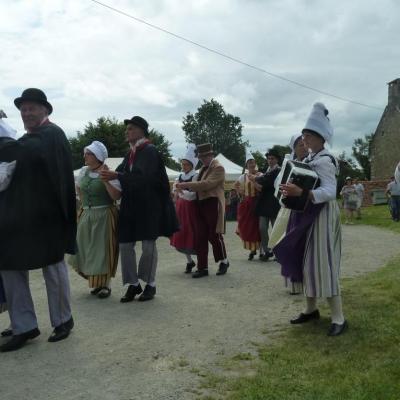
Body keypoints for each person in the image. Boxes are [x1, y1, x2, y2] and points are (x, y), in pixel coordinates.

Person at [0, 88, 77, 352]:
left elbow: (25, 151)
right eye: (23, 109)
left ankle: (63, 320)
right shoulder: (28, 138)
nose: (26, 113)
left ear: (45, 110)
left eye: (31, 108)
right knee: (9, 265)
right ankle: (24, 325)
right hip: (24, 220)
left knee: (53, 269)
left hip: (49, 218)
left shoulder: (51, 134)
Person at [274, 102, 347, 337]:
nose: (303, 140)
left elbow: (330, 192)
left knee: (322, 264)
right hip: (305, 216)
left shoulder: (325, 160)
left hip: (322, 217)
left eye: (307, 136)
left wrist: (302, 193)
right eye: (303, 136)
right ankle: (310, 309)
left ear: (319, 137)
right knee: (305, 262)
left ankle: (339, 317)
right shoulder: (309, 159)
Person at [100, 116, 179, 302]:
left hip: (149, 206)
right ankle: (133, 284)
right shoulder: (130, 154)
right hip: (130, 205)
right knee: (125, 244)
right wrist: (103, 173)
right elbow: (120, 175)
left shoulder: (149, 151)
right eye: (127, 129)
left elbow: (142, 177)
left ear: (142, 131)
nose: (127, 132)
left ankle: (150, 284)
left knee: (148, 246)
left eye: (131, 129)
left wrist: (116, 174)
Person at [68, 141, 121, 298]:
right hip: (87, 215)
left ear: (97, 156)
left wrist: (105, 182)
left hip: (104, 214)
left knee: (102, 250)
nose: (85, 156)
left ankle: (105, 285)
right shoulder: (83, 171)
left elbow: (116, 196)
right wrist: (84, 208)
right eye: (85, 153)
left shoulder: (108, 173)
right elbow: (79, 190)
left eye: (88, 153)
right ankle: (96, 282)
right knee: (85, 249)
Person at [175, 143, 230, 278]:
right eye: (201, 157)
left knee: (214, 235)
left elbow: (207, 184)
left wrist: (186, 184)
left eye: (205, 156)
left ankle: (224, 261)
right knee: (200, 236)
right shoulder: (204, 168)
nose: (203, 159)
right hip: (201, 204)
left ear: (211, 155)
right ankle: (202, 267)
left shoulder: (218, 168)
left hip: (212, 202)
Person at [269, 133, 308, 294]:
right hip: (289, 209)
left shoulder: (312, 162)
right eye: (300, 145)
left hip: (306, 209)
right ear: (294, 149)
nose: (304, 147)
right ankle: (294, 283)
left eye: (305, 144)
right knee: (289, 244)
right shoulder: (289, 165)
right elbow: (279, 184)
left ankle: (306, 281)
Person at [170, 144, 199, 273]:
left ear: (192, 165)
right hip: (180, 208)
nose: (183, 166)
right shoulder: (179, 177)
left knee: (191, 234)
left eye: (186, 164)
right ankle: (189, 261)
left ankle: (200, 260)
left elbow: (193, 195)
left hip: (191, 209)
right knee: (180, 234)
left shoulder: (195, 176)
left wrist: (181, 192)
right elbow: (174, 191)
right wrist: (176, 193)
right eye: (183, 164)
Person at [248, 149, 281, 261]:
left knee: (276, 229)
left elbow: (266, 182)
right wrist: (254, 181)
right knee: (262, 228)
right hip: (263, 204)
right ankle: (267, 251)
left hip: (274, 203)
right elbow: (260, 187)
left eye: (272, 158)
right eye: (269, 158)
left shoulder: (278, 171)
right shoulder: (265, 171)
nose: (270, 160)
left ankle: (278, 252)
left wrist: (254, 179)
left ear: (277, 160)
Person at [234, 152, 262, 260]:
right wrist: (241, 193)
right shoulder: (243, 176)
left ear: (255, 163)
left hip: (257, 202)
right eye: (249, 162)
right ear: (246, 165)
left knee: (257, 227)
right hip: (246, 203)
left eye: (253, 162)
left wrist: (253, 181)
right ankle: (252, 249)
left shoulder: (260, 175)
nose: (251, 164)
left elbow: (261, 188)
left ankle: (260, 249)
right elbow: (235, 185)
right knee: (248, 226)